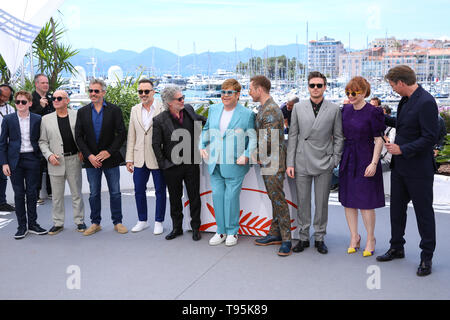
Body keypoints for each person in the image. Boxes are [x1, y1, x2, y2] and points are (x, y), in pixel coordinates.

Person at [376, 65, 439, 277]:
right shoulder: (405, 101)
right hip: (400, 168)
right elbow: (403, 126)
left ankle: (426, 257)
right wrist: (378, 116)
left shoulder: (427, 102)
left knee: (424, 214)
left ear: (401, 83)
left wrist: (402, 149)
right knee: (396, 211)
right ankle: (397, 247)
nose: (392, 89)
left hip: (419, 170)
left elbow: (430, 137)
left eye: (393, 85)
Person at [286, 71, 344, 254]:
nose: (316, 88)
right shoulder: (298, 108)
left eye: (319, 85)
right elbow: (293, 135)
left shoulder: (334, 109)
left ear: (325, 87)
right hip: (301, 160)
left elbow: (339, 137)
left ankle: (319, 237)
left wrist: (335, 159)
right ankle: (303, 237)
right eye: (312, 85)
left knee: (322, 202)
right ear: (308, 87)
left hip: (324, 161)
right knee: (303, 201)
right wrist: (290, 163)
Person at [200, 79, 256, 247]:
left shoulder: (247, 114)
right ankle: (221, 230)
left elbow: (253, 138)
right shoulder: (214, 109)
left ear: (237, 95)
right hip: (215, 161)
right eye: (223, 92)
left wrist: (246, 154)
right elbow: (206, 130)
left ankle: (232, 231)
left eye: (229, 92)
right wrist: (201, 145)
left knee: (231, 198)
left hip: (235, 163)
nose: (225, 95)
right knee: (217, 197)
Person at [152, 85, 205, 241]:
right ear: (170, 102)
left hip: (191, 163)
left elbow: (202, 121)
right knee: (175, 199)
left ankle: (196, 228)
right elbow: (155, 145)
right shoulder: (159, 120)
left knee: (194, 197)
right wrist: (165, 165)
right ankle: (177, 228)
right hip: (171, 167)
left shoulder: (188, 109)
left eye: (183, 97)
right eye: (180, 99)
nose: (183, 100)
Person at [75, 79, 128, 236]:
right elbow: (78, 137)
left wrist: (109, 152)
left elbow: (121, 134)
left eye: (96, 91)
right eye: (91, 90)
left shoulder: (114, 110)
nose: (93, 93)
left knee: (115, 192)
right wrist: (89, 155)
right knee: (94, 193)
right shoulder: (82, 112)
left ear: (103, 92)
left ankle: (117, 222)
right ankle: (95, 223)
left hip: (110, 159)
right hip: (92, 161)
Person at [339, 77, 385, 257]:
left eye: (354, 93)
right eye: (348, 92)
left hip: (366, 156)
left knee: (366, 203)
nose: (350, 96)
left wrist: (374, 163)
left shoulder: (374, 112)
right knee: (348, 201)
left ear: (364, 93)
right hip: (348, 156)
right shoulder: (345, 110)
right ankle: (354, 237)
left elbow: (378, 139)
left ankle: (370, 238)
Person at [249, 75, 292, 256]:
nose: (249, 92)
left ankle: (286, 239)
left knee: (278, 200)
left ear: (259, 89)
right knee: (274, 198)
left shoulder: (271, 110)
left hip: (273, 162)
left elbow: (268, 140)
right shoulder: (265, 108)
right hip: (269, 161)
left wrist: (253, 155)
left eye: (251, 89)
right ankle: (275, 233)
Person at [0, 91, 47, 239]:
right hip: (15, 160)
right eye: (18, 102)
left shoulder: (37, 119)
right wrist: (4, 163)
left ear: (30, 103)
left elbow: (42, 139)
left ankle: (33, 224)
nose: (20, 104)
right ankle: (21, 226)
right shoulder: (8, 119)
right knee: (19, 194)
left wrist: (40, 157)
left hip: (32, 159)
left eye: (23, 102)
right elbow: (2, 144)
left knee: (32, 193)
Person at [39, 90, 86, 235]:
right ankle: (58, 223)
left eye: (59, 98)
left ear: (67, 101)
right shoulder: (46, 119)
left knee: (76, 193)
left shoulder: (76, 116)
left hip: (74, 159)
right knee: (57, 196)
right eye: (54, 98)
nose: (56, 100)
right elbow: (42, 142)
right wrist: (49, 156)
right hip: (55, 161)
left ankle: (80, 221)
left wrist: (82, 150)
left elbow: (83, 135)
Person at [126, 79, 167, 235]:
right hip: (139, 157)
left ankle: (159, 221)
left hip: (158, 157)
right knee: (138, 190)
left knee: (160, 190)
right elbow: (132, 135)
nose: (143, 94)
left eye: (146, 91)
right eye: (140, 91)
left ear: (153, 92)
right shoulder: (134, 109)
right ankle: (142, 220)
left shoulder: (163, 108)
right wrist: (129, 158)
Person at [30, 74, 54, 204]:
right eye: (43, 83)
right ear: (36, 84)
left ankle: (51, 191)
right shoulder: (31, 98)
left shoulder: (51, 97)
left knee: (52, 162)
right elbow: (30, 118)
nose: (46, 85)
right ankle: (37, 194)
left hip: (51, 135)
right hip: (37, 136)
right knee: (38, 165)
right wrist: (40, 106)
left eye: (47, 82)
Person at [0, 84, 16, 212]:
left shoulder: (10, 109)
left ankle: (2, 202)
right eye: (2, 96)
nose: (3, 99)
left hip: (4, 146)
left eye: (6, 97)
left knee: (2, 176)